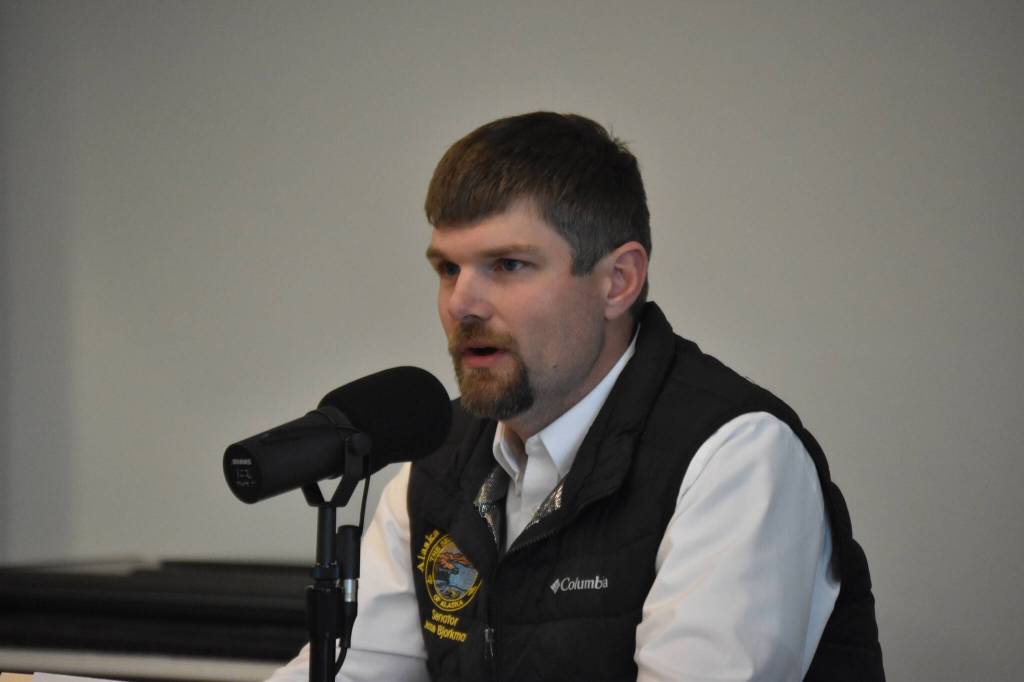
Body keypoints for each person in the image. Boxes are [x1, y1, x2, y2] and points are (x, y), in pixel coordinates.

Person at [268, 112, 884, 681]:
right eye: (448, 269)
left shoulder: (735, 457)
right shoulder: (438, 460)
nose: (462, 304)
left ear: (618, 281)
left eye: (507, 265)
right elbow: (354, 668)